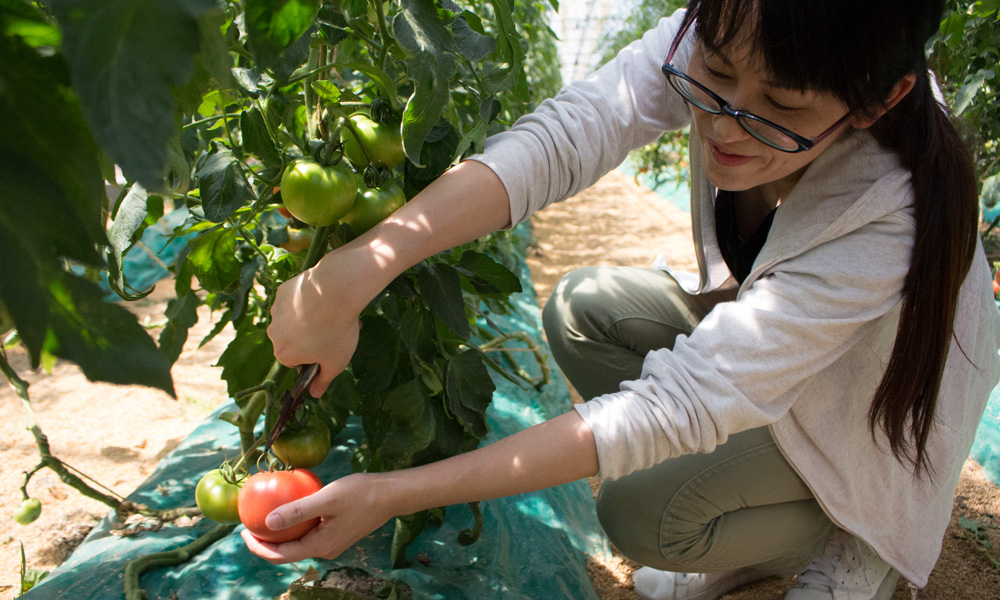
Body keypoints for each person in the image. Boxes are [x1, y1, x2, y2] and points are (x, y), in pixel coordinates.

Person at [244, 1, 1000, 599]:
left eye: (781, 105)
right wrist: (356, 269)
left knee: (639, 511)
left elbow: (677, 405)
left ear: (879, 100)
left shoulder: (886, 209)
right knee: (583, 309)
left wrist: (392, 495)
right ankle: (749, 520)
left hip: (868, 416)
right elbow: (573, 132)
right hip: (780, 373)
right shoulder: (740, 24)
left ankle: (852, 543)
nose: (721, 120)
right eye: (715, 72)